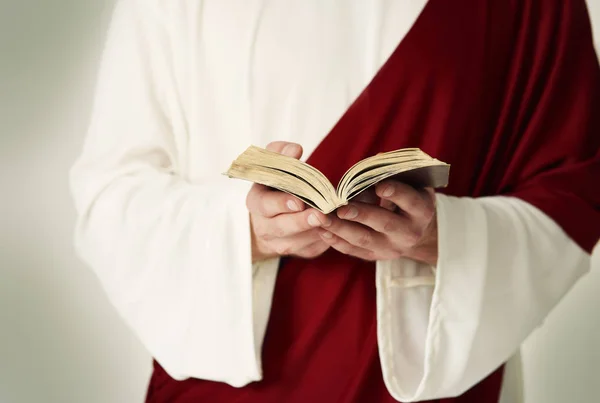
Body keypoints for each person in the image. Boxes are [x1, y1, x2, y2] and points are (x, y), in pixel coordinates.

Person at [69, 0, 600, 402]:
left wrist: (444, 235)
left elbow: (572, 191)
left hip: (426, 372)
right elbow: (110, 192)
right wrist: (244, 229)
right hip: (232, 379)